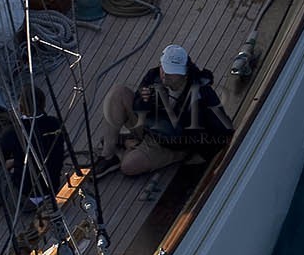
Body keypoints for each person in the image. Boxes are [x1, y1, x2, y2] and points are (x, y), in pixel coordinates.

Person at [92, 44, 233, 178]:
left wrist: (203, 155)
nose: (164, 75)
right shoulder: (154, 76)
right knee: (118, 92)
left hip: (171, 144)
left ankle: (125, 145)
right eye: (163, 68)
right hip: (150, 125)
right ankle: (108, 155)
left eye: (171, 72)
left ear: (184, 74)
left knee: (128, 166)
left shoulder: (201, 94)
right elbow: (137, 106)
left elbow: (221, 129)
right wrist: (146, 101)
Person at [0, 86, 69, 209]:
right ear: (44, 104)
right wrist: (12, 162)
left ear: (20, 107)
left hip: (23, 200)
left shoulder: (14, 132)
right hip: (52, 191)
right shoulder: (55, 123)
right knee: (22, 158)